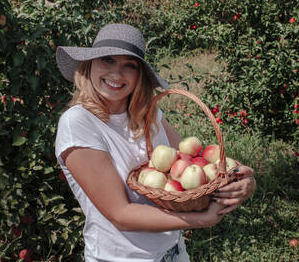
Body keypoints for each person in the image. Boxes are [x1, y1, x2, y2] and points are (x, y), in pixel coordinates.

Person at [55, 23, 256, 262]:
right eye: (107, 60)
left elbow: (193, 170)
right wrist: (201, 219)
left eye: (129, 65)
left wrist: (240, 182)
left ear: (139, 74)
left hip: (173, 253)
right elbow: (120, 214)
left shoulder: (148, 115)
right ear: (89, 65)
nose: (117, 74)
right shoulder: (79, 123)